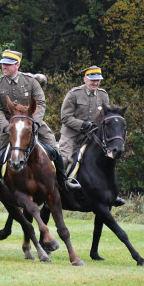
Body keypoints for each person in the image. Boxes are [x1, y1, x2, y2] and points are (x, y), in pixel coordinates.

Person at [0, 49, 76, 205]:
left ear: (17, 64)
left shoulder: (30, 81)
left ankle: (63, 183)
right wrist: (4, 126)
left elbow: (41, 103)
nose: (4, 67)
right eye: (3, 64)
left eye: (8, 64)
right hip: (9, 126)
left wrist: (34, 122)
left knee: (55, 150)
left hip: (32, 123)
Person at [59, 65, 124, 206]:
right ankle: (60, 188)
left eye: (98, 80)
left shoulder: (103, 94)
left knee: (106, 158)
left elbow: (105, 116)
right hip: (71, 135)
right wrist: (83, 124)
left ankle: (111, 194)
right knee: (66, 159)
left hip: (91, 135)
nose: (95, 83)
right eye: (92, 80)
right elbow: (65, 117)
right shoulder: (74, 94)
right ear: (85, 79)